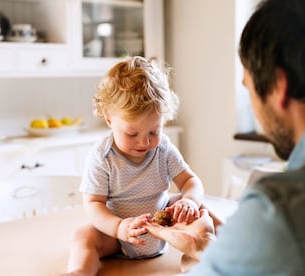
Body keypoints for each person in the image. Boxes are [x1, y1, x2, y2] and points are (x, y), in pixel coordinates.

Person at [147, 0, 305, 275]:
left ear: (278, 86)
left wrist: (200, 255)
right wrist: (206, 247)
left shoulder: (280, 210)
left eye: (249, 90)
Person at [65, 56, 205, 275]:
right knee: (83, 236)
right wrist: (118, 228)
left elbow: (190, 181)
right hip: (118, 238)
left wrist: (189, 201)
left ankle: (224, 249)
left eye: (154, 132)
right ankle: (79, 272)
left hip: (164, 230)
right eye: (132, 134)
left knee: (200, 210)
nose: (145, 142)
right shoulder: (102, 157)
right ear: (109, 119)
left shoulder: (163, 149)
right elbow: (93, 204)